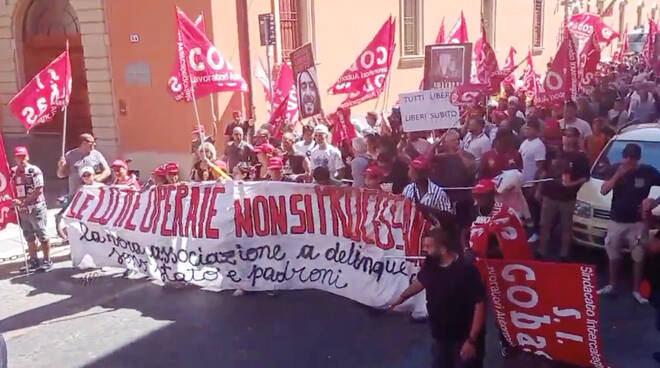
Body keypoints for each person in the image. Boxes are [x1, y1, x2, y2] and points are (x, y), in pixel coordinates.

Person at [389, 225, 487, 368]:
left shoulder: (466, 270)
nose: (424, 250)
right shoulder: (431, 264)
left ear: (442, 248)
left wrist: (472, 340)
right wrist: (400, 299)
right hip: (441, 337)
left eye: (428, 246)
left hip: (464, 338)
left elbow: (480, 304)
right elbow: (421, 282)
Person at [598, 143, 660, 304]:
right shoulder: (616, 169)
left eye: (632, 158)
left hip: (638, 222)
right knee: (613, 253)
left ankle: (636, 290)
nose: (628, 160)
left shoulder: (647, 172)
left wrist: (654, 201)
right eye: (626, 157)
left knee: (638, 255)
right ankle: (612, 285)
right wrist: (618, 175)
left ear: (638, 158)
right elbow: (603, 190)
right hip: (616, 220)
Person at [536, 127, 590, 261]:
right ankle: (542, 250)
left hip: (568, 198)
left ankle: (564, 254)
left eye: (570, 136)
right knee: (544, 224)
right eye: (565, 135)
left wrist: (572, 184)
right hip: (550, 195)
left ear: (576, 138)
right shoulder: (553, 152)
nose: (567, 138)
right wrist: (539, 189)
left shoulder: (581, 157)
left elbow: (585, 178)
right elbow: (544, 172)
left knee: (566, 227)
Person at [9, 146, 51, 272]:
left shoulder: (34, 170)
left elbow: (39, 189)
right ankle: (33, 260)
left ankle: (47, 260)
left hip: (35, 207)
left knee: (42, 234)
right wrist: (14, 200)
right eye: (18, 157)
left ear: (27, 156)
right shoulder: (12, 172)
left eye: (23, 156)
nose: (21, 159)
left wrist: (25, 201)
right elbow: (10, 188)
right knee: (28, 235)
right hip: (22, 210)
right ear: (15, 158)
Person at [403, 157, 454, 225]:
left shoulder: (438, 193)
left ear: (425, 173)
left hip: (433, 230)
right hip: (412, 229)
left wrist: (427, 209)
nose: (412, 172)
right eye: (412, 169)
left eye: (418, 171)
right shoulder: (408, 189)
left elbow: (449, 217)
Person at [518, 119, 546, 241]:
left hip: (531, 183)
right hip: (522, 182)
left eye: (529, 128)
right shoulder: (524, 143)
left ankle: (536, 233)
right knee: (524, 209)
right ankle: (526, 230)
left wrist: (535, 185)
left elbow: (540, 167)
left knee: (533, 209)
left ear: (536, 130)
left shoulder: (539, 145)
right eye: (526, 128)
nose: (527, 130)